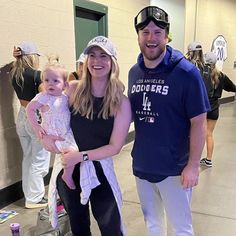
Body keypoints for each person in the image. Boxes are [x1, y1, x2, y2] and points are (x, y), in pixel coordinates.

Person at [128, 6, 210, 236]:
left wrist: (193, 166)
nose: (151, 38)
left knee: (181, 229)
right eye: (145, 32)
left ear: (166, 36)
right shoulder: (134, 72)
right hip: (143, 166)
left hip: (175, 169)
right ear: (138, 36)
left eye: (157, 32)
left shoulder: (186, 73)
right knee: (153, 225)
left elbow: (199, 122)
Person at [40, 36, 132, 236]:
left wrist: (80, 156)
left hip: (100, 170)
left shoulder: (120, 101)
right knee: (79, 226)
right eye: (92, 55)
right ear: (86, 59)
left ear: (112, 62)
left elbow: (115, 146)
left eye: (103, 56)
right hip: (68, 170)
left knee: (111, 228)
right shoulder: (72, 89)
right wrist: (43, 136)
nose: (97, 61)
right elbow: (44, 100)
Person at [10, 41, 51, 209]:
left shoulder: (14, 74)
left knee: (28, 158)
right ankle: (35, 198)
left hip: (21, 115)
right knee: (39, 159)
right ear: (32, 57)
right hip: (35, 117)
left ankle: (30, 195)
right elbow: (45, 99)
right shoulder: (36, 75)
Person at [26, 58, 77, 189]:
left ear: (65, 85)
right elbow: (29, 109)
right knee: (71, 151)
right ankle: (67, 176)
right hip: (52, 133)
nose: (50, 84)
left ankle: (67, 174)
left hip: (65, 133)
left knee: (73, 153)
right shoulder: (44, 97)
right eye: (47, 80)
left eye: (55, 81)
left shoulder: (65, 98)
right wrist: (36, 127)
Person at [200, 52, 236, 167]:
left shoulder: (200, 75)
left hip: (202, 107)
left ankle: (194, 158)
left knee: (197, 133)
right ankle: (208, 159)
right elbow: (232, 88)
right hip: (214, 108)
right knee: (209, 134)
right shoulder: (221, 76)